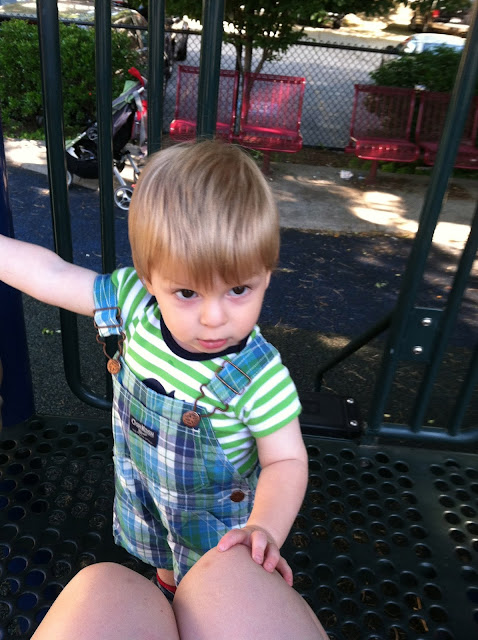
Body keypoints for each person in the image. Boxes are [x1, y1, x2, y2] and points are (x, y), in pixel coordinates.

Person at [0, 140, 307, 599]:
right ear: (149, 280)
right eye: (187, 293)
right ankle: (166, 585)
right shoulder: (134, 306)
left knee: (209, 593)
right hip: (146, 489)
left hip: (217, 524)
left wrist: (264, 525)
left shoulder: (260, 377)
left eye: (239, 289)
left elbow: (285, 460)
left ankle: (192, 605)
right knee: (163, 555)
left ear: (266, 273)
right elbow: (53, 275)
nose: (214, 317)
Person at [31, 546, 329, 639]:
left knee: (102, 586)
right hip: (157, 480)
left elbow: (285, 458)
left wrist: (264, 524)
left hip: (216, 504)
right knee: (229, 564)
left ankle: (173, 600)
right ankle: (171, 594)